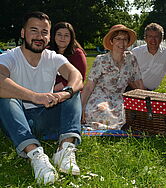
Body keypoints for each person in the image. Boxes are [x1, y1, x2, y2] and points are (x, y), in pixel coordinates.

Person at [0, 11, 83, 184]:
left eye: (44, 32)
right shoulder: (9, 57)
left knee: (72, 92)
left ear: (49, 36)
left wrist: (64, 93)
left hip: (47, 117)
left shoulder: (54, 57)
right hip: (18, 120)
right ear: (23, 33)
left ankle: (65, 150)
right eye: (34, 30)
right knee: (5, 97)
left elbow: (76, 76)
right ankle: (36, 155)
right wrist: (35, 97)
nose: (39, 36)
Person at [81, 24, 144, 130]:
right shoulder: (101, 60)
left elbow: (139, 83)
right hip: (100, 98)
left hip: (120, 99)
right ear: (111, 41)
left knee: (129, 113)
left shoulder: (131, 59)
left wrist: (146, 103)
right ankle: (117, 126)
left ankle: (117, 125)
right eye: (118, 38)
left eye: (125, 39)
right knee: (101, 111)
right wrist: (81, 107)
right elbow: (89, 87)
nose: (122, 43)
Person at [131, 23, 166, 91]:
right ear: (145, 38)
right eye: (150, 36)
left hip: (149, 92)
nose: (153, 40)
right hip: (131, 89)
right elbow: (128, 75)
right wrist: (140, 90)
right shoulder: (136, 52)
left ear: (161, 39)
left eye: (156, 37)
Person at [49, 22, 87, 91]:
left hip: (69, 91)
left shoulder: (78, 54)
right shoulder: (47, 52)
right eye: (59, 34)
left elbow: (80, 79)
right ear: (54, 36)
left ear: (71, 38)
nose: (62, 38)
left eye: (66, 35)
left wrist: (57, 88)